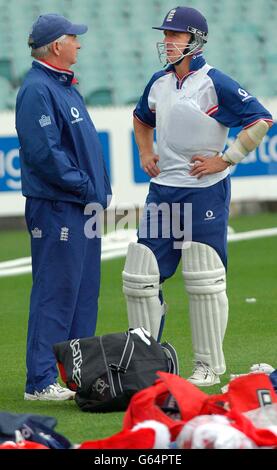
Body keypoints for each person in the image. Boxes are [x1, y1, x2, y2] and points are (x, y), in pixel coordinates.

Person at [122, 6, 273, 386]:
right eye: (167, 35)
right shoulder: (158, 82)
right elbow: (142, 118)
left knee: (204, 278)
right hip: (163, 192)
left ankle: (207, 366)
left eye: (175, 35)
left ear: (195, 40)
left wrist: (226, 159)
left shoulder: (214, 81)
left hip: (204, 193)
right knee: (141, 276)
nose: (168, 42)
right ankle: (145, 366)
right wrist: (144, 151)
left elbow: (262, 119)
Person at [16, 14, 112, 400]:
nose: (80, 44)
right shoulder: (38, 89)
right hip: (59, 206)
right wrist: (87, 187)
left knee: (84, 293)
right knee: (56, 292)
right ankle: (39, 382)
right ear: (57, 45)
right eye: (74, 38)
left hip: (82, 206)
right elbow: (45, 155)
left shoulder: (65, 86)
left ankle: (77, 376)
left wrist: (94, 192)